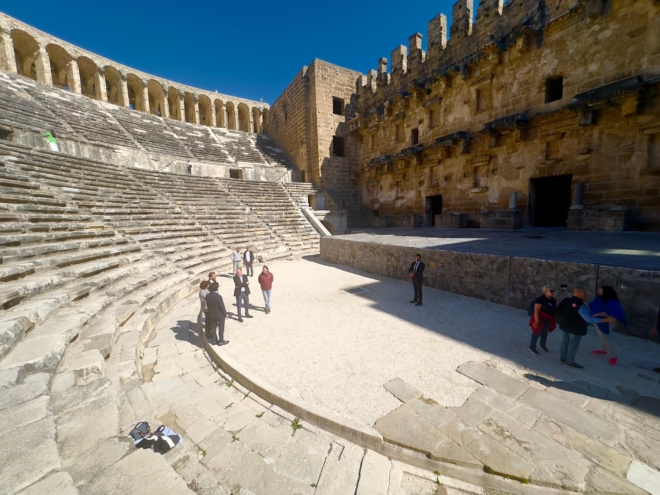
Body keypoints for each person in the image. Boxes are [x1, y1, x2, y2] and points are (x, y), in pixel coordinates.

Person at [555, 288, 614, 369]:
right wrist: (605, 320)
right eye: (584, 293)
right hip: (575, 328)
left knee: (565, 342)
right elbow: (589, 319)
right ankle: (570, 362)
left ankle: (562, 359)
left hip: (565, 326)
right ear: (578, 294)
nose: (586, 295)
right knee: (573, 345)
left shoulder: (567, 300)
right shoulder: (580, 305)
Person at [590, 286, 626, 365]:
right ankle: (603, 349)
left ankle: (613, 356)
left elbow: (612, 311)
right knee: (601, 335)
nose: (599, 291)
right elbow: (592, 305)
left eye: (601, 290)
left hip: (608, 321)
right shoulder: (600, 298)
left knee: (605, 337)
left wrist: (598, 314)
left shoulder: (612, 300)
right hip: (598, 320)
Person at [528, 286, 557, 355]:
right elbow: (536, 310)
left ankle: (542, 345)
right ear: (545, 291)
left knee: (545, 332)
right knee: (537, 332)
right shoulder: (540, 299)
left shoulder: (553, 300)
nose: (552, 292)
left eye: (553, 291)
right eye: (551, 291)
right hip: (540, 318)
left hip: (548, 318)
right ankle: (532, 346)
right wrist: (537, 321)